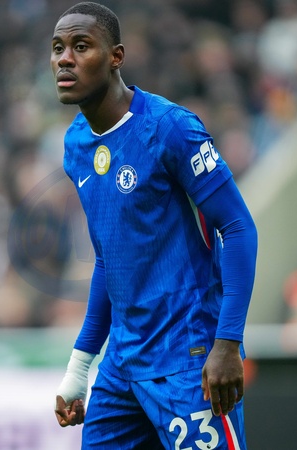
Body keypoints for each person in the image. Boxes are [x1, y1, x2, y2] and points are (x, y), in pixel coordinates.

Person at [51, 3, 258, 449]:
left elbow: (239, 228)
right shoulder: (76, 145)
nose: (64, 59)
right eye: (57, 48)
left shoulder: (169, 128)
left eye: (81, 46)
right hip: (122, 366)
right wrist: (79, 367)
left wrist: (227, 343)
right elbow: (108, 261)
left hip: (189, 358)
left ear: (116, 57)